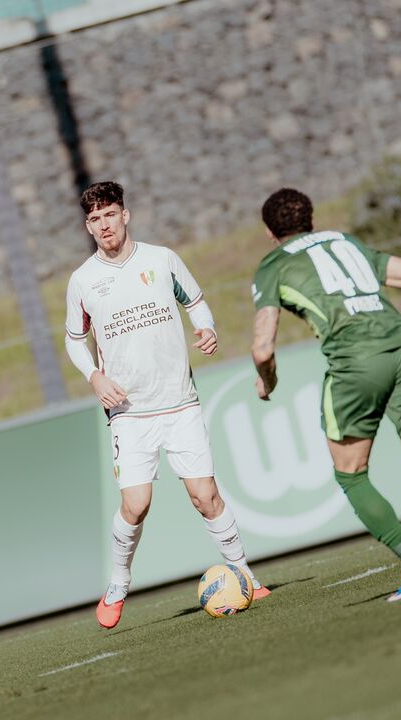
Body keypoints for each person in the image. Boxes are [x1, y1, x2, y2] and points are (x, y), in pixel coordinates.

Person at [250, 188, 401, 601]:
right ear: (310, 218)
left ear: (268, 232)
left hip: (356, 364)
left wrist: (267, 381)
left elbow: (262, 347)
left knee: (351, 475)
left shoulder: (273, 264)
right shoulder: (345, 242)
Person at [65, 181, 269, 629]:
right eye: (95, 219)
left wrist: (208, 328)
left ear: (125, 215)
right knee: (136, 503)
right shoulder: (82, 280)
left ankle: (246, 575)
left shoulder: (161, 260)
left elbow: (195, 302)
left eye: (110, 215)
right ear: (88, 226)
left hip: (179, 403)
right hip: (129, 412)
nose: (104, 225)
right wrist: (95, 376)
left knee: (205, 496)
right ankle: (118, 582)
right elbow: (75, 340)